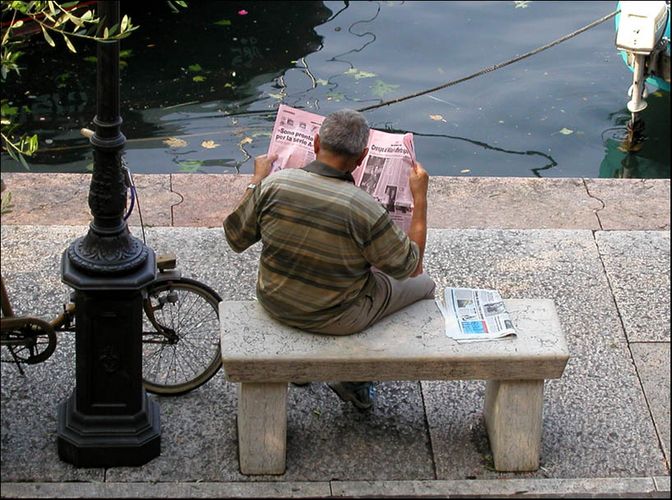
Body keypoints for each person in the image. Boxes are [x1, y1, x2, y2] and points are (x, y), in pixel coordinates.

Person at [223, 109, 435, 410]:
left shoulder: (274, 185)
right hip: (335, 317)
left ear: (316, 143)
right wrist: (420, 199)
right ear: (362, 158)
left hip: (274, 299)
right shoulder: (365, 208)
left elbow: (235, 238)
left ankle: (305, 367)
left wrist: (256, 180)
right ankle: (356, 378)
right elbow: (412, 267)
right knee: (426, 286)